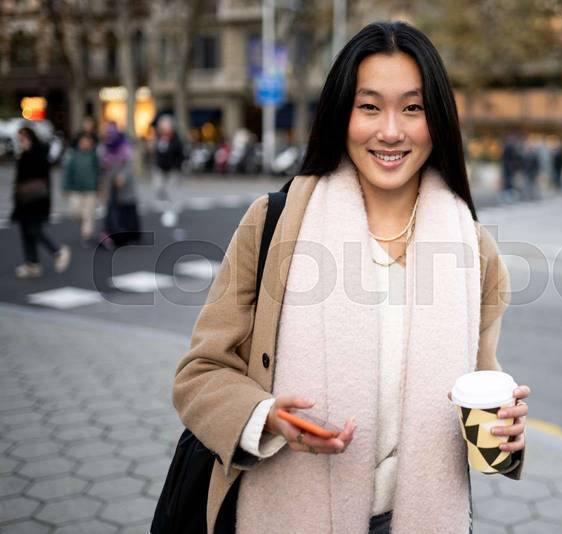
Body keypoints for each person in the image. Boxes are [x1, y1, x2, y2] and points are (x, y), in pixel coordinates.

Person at [172, 21, 530, 534]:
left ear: (438, 120)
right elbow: (199, 374)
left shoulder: (474, 248)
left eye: (412, 108)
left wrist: (505, 438)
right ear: (342, 115)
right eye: (369, 107)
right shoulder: (273, 223)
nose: (390, 130)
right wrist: (265, 418)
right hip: (283, 511)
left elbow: (481, 395)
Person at [11, 127, 71, 278]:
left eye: (23, 139)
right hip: (24, 200)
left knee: (34, 231)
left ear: (30, 138)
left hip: (36, 200)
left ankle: (57, 252)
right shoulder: (24, 155)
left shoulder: (39, 154)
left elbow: (42, 180)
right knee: (25, 232)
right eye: (20, 140)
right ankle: (32, 264)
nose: (22, 142)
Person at [98, 122, 140, 249]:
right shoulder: (103, 148)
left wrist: (122, 176)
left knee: (126, 209)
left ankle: (127, 236)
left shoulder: (125, 147)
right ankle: (111, 235)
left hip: (124, 184)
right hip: (110, 184)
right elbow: (101, 167)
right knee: (111, 210)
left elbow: (129, 165)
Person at [63, 133, 101, 246]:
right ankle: (84, 227)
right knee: (75, 212)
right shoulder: (73, 156)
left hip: (91, 189)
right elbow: (68, 172)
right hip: (76, 189)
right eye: (83, 141)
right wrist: (65, 187)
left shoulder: (94, 156)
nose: (85, 144)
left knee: (89, 213)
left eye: (88, 142)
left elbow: (98, 172)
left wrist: (99, 186)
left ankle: (86, 235)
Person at [152, 114, 185, 227]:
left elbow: (181, 155)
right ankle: (166, 207)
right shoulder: (159, 138)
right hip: (161, 168)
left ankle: (171, 211)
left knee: (172, 191)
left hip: (173, 170)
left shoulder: (176, 139)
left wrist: (177, 166)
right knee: (158, 188)